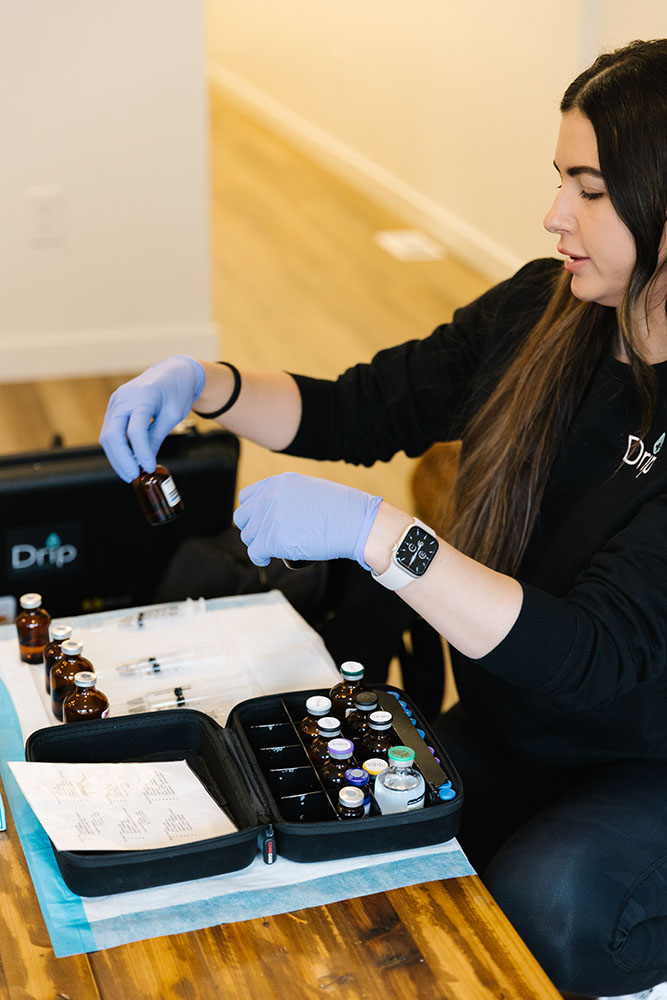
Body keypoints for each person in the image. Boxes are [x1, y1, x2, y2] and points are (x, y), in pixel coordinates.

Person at [99, 39, 667, 999]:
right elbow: (362, 407)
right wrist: (208, 383)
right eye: (557, 182)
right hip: (506, 731)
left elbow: (589, 656)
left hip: (640, 766)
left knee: (547, 903)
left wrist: (381, 538)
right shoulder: (545, 310)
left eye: (591, 190)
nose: (553, 215)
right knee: (332, 825)